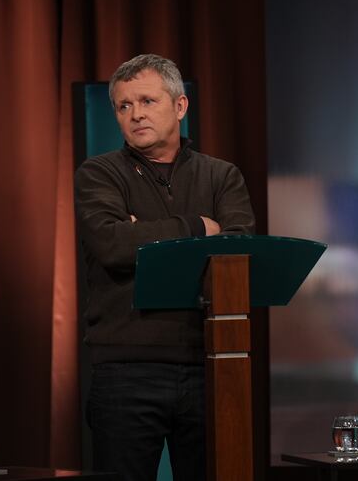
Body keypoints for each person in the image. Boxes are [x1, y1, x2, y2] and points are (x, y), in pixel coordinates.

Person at [74, 54, 255, 481]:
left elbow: (238, 252)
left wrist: (148, 235)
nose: (135, 114)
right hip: (125, 370)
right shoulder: (99, 174)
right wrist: (196, 227)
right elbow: (114, 245)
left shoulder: (221, 176)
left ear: (180, 106)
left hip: (209, 364)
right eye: (123, 106)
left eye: (147, 101)